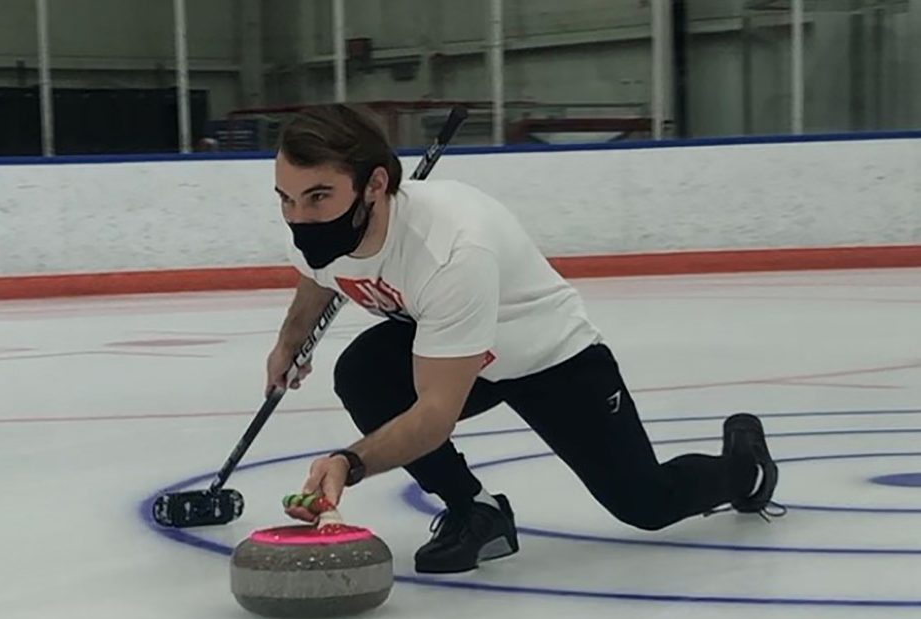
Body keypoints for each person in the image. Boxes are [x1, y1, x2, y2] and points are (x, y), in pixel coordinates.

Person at [267, 103, 780, 575]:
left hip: (549, 359)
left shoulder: (450, 250)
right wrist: (291, 338)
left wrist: (349, 463)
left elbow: (433, 415)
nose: (299, 218)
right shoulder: (329, 228)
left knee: (646, 505)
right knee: (363, 374)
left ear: (374, 185)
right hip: (460, 348)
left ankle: (745, 468)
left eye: (317, 198)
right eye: (286, 200)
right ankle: (476, 511)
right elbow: (319, 271)